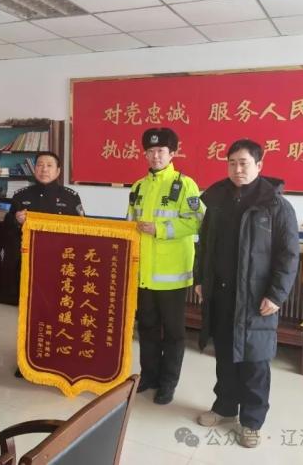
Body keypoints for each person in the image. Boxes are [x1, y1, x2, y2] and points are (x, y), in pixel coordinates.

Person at [194, 139, 299, 448]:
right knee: (225, 356)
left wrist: (277, 295)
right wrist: (201, 280)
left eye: (244, 163)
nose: (237, 169)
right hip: (222, 294)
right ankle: (225, 408)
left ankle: (252, 421)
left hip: (256, 299)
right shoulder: (217, 199)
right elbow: (204, 245)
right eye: (232, 163)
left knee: (255, 362)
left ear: (259, 165)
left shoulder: (276, 206)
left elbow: (288, 255)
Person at [127, 127, 203, 405]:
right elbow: (129, 225)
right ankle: (149, 376)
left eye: (161, 151)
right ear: (145, 154)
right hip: (144, 274)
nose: (155, 155)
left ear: (173, 153)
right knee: (146, 328)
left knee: (173, 334)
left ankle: (168, 384)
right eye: (150, 151)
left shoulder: (185, 185)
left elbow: (196, 221)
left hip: (172, 276)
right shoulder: (137, 186)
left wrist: (159, 229)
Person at [4, 151, 84, 378]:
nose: (44, 169)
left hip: (60, 267)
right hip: (30, 267)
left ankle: (58, 358)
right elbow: (8, 230)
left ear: (58, 171)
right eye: (40, 165)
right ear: (34, 169)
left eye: (49, 165)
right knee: (30, 314)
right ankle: (27, 360)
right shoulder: (21, 196)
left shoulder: (70, 197)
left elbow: (82, 231)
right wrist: (16, 220)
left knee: (60, 314)